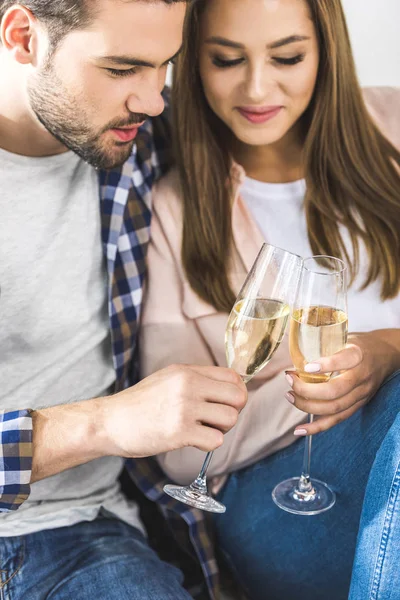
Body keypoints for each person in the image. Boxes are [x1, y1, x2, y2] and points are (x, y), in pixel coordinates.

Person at [139, 0, 400, 598]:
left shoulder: (394, 122)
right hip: (270, 498)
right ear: (193, 64)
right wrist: (331, 389)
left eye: (288, 56)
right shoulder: (174, 211)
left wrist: (387, 350)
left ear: (326, 50)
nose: (257, 86)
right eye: (226, 59)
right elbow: (181, 454)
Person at [0, 1, 249, 599]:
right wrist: (108, 422)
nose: (154, 100)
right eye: (121, 70)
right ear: (23, 37)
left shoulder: (137, 144)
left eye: (163, 65)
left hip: (80, 534)